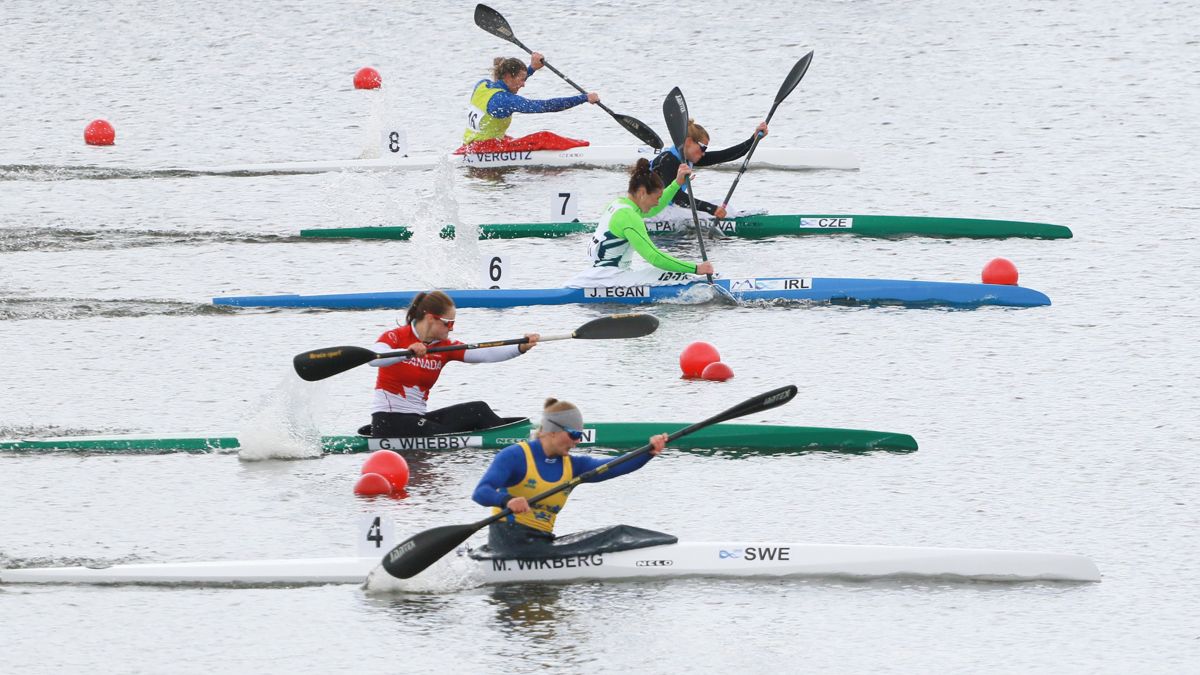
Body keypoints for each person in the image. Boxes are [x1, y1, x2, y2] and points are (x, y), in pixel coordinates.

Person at [472, 399, 668, 555]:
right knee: (617, 535)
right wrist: (507, 500)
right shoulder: (515, 456)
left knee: (618, 531)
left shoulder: (573, 466)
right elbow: (481, 492)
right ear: (553, 431)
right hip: (509, 543)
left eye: (580, 436)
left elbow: (613, 467)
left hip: (541, 542)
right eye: (574, 434)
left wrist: (648, 452)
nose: (577, 441)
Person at [364, 291, 539, 437]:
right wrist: (407, 353)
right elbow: (375, 358)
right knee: (447, 437)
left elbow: (485, 353)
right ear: (431, 318)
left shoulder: (444, 347)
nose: (452, 329)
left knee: (479, 410)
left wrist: (520, 347)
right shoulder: (396, 337)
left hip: (416, 418)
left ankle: (514, 439)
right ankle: (509, 442)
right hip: (389, 421)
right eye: (449, 323)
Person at [565, 158, 716, 288]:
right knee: (679, 276)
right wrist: (696, 268)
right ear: (642, 193)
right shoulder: (629, 217)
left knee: (664, 273)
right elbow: (654, 258)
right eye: (656, 197)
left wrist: (677, 183)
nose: (658, 203)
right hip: (610, 280)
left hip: (598, 275)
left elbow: (652, 211)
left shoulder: (619, 205)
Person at [463, 54, 600, 145]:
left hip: (469, 145)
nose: (523, 84)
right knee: (545, 138)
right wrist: (583, 98)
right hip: (486, 149)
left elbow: (505, 86)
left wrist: (532, 68)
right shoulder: (505, 100)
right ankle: (583, 149)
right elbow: (546, 106)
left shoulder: (483, 85)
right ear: (508, 76)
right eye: (521, 79)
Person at [650, 118, 769, 220]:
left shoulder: (688, 158)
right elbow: (677, 198)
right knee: (709, 209)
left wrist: (753, 139)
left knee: (720, 204)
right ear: (688, 142)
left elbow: (726, 155)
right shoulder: (667, 160)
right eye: (703, 148)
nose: (703, 153)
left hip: (669, 209)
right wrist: (710, 209)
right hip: (653, 212)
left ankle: (737, 216)